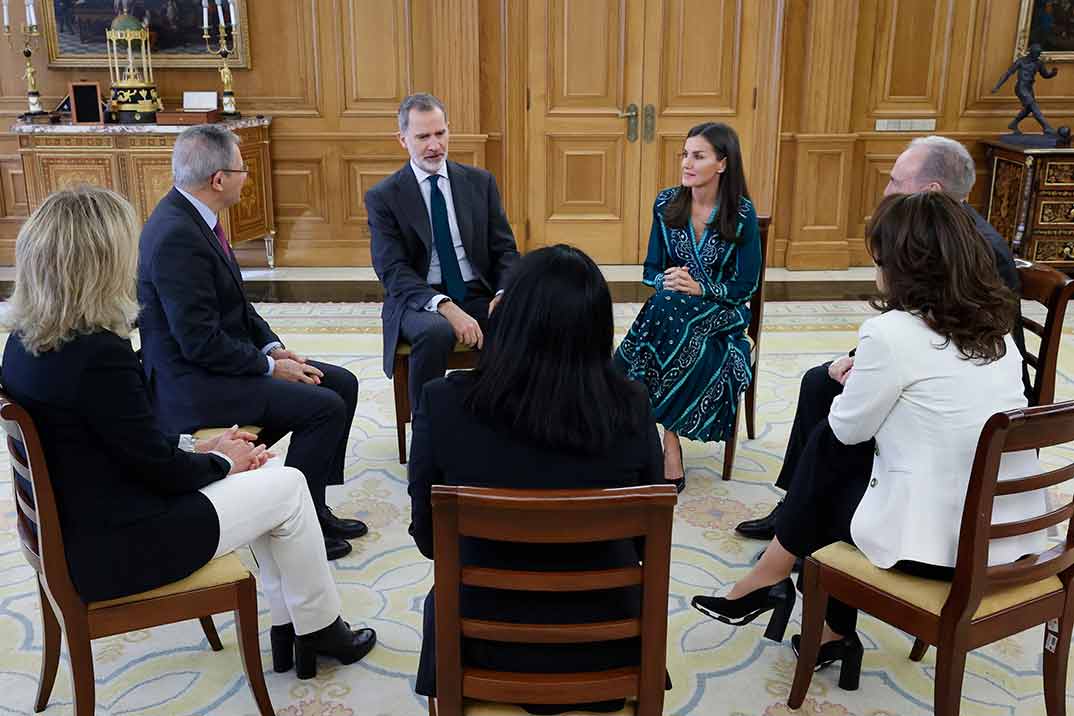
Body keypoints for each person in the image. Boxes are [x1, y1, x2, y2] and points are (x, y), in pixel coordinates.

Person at [2, 186, 376, 682]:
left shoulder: (23, 345)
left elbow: (116, 444)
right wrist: (223, 463)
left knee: (262, 480)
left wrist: (206, 447)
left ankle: (299, 628)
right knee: (285, 488)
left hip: (83, 530)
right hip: (124, 547)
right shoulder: (100, 356)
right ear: (97, 262)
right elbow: (158, 471)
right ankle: (318, 630)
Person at [692, 192, 1046, 689]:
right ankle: (827, 628)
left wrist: (852, 379)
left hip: (941, 555)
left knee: (830, 457)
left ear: (903, 263)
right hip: (1006, 542)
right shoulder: (999, 333)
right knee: (846, 468)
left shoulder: (891, 333)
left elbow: (847, 431)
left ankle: (774, 575)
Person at [407, 245, 668, 714]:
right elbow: (647, 549)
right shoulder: (632, 408)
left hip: (478, 646)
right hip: (605, 651)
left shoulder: (442, 404)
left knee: (437, 601)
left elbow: (429, 541)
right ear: (597, 329)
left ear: (509, 317)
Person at [735, 135, 1030, 543]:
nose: (886, 190)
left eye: (894, 181)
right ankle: (797, 507)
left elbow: (961, 327)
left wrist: (872, 363)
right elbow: (914, 320)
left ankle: (813, 522)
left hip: (965, 366)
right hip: (940, 351)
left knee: (838, 426)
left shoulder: (976, 247)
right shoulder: (941, 228)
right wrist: (863, 359)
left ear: (931, 191)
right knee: (821, 381)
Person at [137, 125, 365, 562]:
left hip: (217, 367)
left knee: (342, 382)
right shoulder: (175, 236)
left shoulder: (196, 219)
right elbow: (199, 342)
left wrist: (273, 349)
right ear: (218, 179)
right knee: (324, 405)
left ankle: (315, 505)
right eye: (242, 169)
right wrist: (269, 370)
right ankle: (293, 520)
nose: (248, 178)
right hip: (194, 384)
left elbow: (237, 309)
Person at [615, 122, 761, 492]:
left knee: (664, 313)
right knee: (666, 304)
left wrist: (699, 287)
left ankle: (648, 428)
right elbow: (650, 270)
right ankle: (670, 439)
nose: (687, 163)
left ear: (722, 164)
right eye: (685, 154)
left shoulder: (741, 214)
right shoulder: (666, 204)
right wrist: (665, 281)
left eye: (698, 156)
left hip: (723, 312)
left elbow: (746, 286)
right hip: (671, 309)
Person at [367, 93, 519, 417]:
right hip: (417, 299)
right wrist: (446, 308)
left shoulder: (480, 182)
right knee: (437, 332)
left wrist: (505, 292)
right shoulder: (384, 197)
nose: (434, 145)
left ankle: (501, 419)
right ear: (403, 140)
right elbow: (393, 271)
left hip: (475, 290)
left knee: (519, 320)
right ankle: (427, 430)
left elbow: (504, 249)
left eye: (440, 133)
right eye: (423, 137)